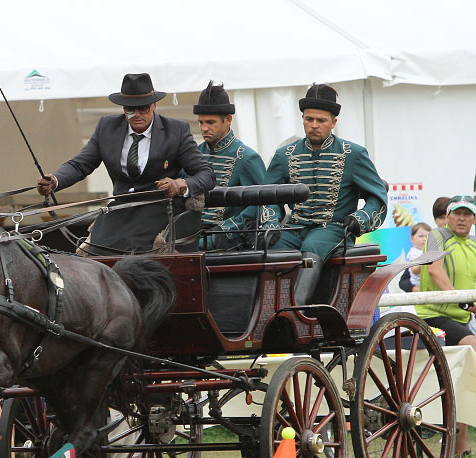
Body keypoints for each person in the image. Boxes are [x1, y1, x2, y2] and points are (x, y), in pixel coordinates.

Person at [37, 73, 215, 254]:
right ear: (123, 108)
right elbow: (80, 164)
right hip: (120, 209)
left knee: (134, 255)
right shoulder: (106, 127)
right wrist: (55, 180)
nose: (136, 115)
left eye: (143, 108)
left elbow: (206, 174)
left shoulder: (176, 131)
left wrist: (180, 185)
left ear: (154, 105)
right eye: (130, 109)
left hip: (159, 208)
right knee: (94, 253)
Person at [263, 84, 388, 305]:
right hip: (295, 226)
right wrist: (272, 223)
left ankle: (296, 311)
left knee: (312, 249)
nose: (314, 125)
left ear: (333, 122)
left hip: (333, 228)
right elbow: (268, 196)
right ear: (302, 119)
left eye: (321, 120)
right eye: (309, 119)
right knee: (271, 250)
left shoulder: (354, 154)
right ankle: (265, 309)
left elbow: (377, 196)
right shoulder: (284, 155)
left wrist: (359, 219)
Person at [416, 195, 476, 458]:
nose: (462, 219)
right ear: (448, 216)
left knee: (464, 378)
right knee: (472, 354)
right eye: (457, 214)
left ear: (474, 219)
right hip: (434, 314)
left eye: (468, 214)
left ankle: (460, 447)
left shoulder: (473, 245)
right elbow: (434, 271)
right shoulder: (438, 236)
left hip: (461, 318)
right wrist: (461, 298)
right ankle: (431, 433)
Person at [190, 81, 268, 250]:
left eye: (210, 122)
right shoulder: (194, 154)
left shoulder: (247, 157)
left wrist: (226, 230)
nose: (204, 128)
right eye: (201, 122)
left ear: (228, 120)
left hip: (229, 240)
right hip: (194, 234)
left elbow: (259, 205)